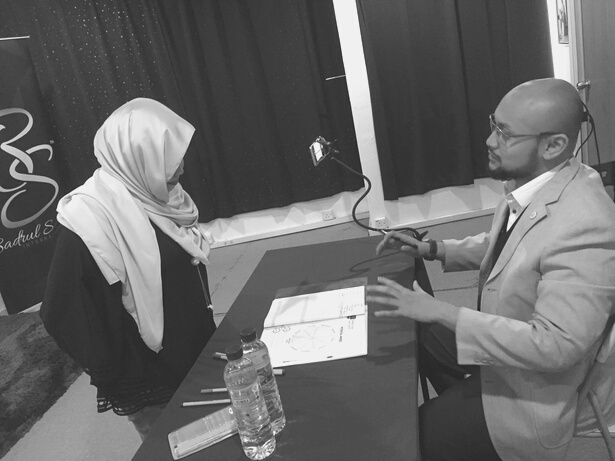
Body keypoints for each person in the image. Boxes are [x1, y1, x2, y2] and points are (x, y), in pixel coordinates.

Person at [366, 78, 615, 460]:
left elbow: (556, 347)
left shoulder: (587, 224)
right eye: (493, 125)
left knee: (406, 440)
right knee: (416, 329)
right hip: (502, 353)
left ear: (553, 146)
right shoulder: (537, 182)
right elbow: (511, 245)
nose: (489, 140)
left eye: (505, 134)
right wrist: (433, 249)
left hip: (531, 400)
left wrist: (444, 312)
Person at [40, 98, 217, 440]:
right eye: (168, 158)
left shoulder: (156, 194)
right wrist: (114, 371)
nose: (181, 168)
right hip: (153, 379)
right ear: (136, 156)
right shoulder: (89, 220)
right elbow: (60, 312)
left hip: (195, 349)